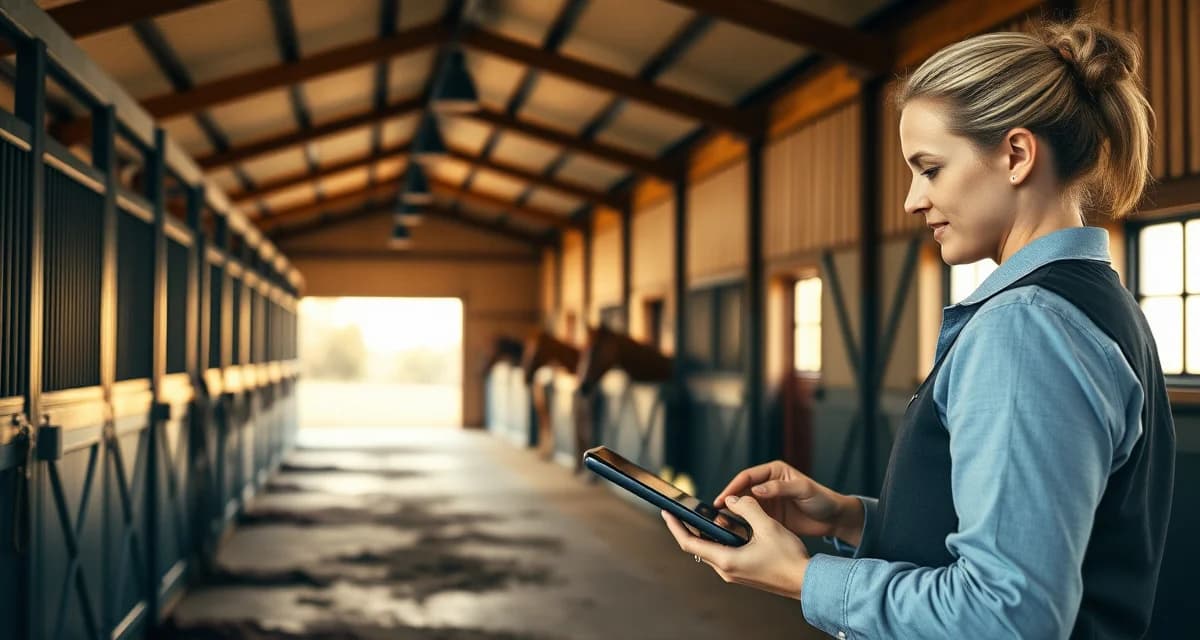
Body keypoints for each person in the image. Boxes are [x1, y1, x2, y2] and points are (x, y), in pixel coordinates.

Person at [661, 17, 1175, 639]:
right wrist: (851, 517)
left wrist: (802, 577)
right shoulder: (1099, 304)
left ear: (1015, 155)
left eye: (929, 168)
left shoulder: (1025, 326)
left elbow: (1007, 617)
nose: (911, 199)